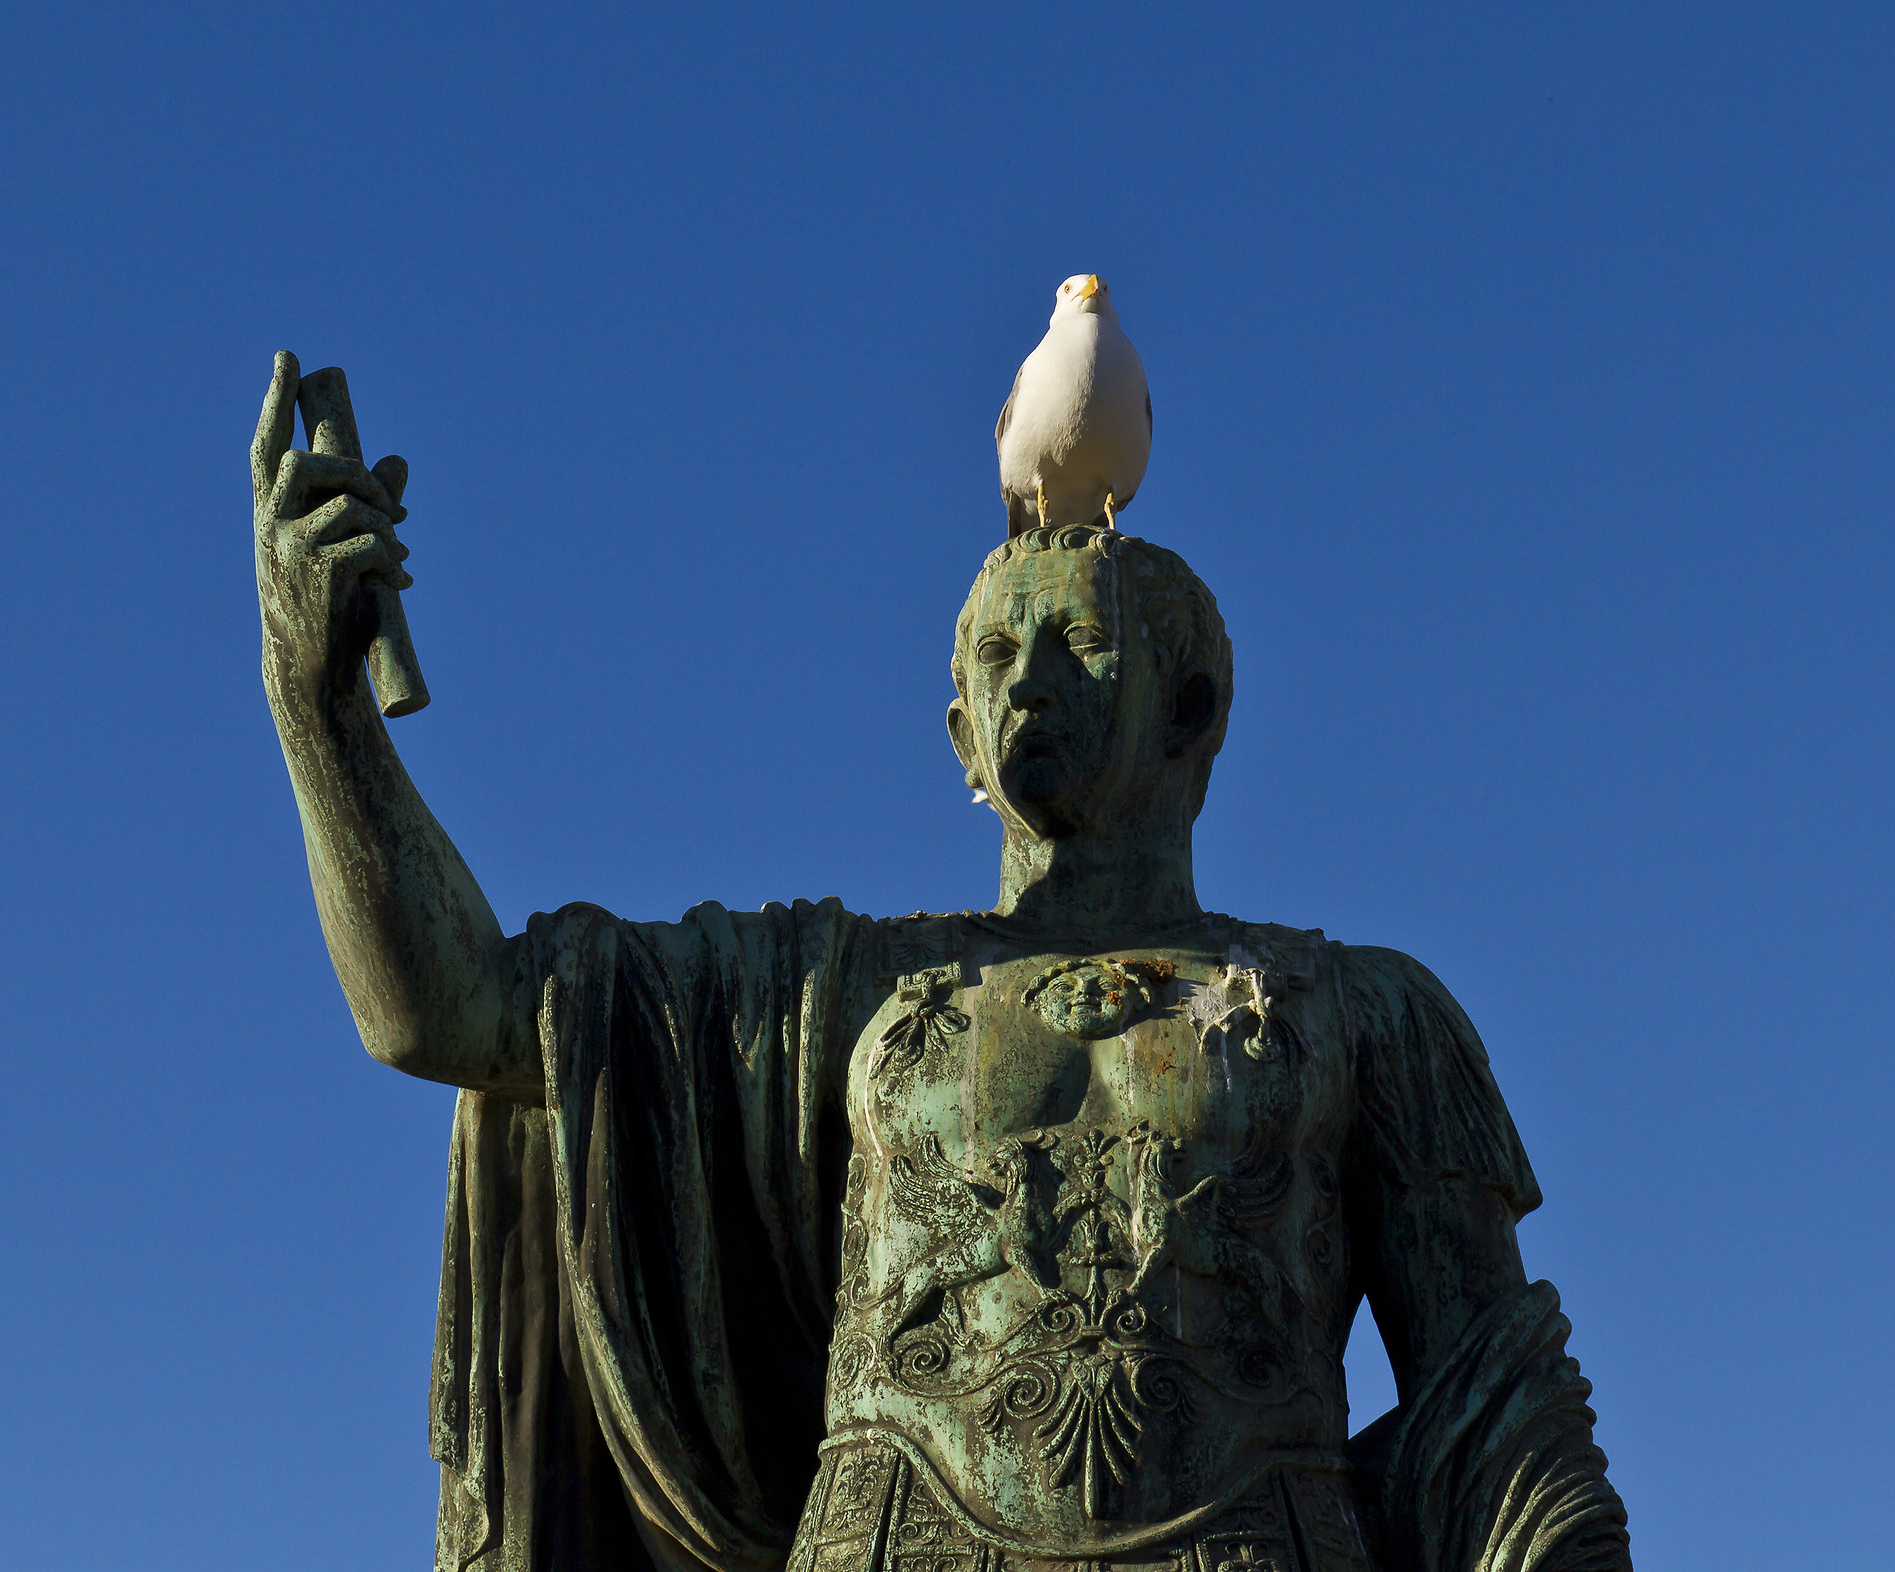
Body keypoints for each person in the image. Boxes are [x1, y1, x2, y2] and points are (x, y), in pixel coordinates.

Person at [250, 359, 1632, 1572]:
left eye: (1079, 643)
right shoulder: (834, 992)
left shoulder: (1369, 1013)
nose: (1029, 677)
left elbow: (1497, 1428)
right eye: (997, 652)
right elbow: (458, 1015)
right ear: (961, 734)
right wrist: (321, 715)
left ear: (1195, 710)